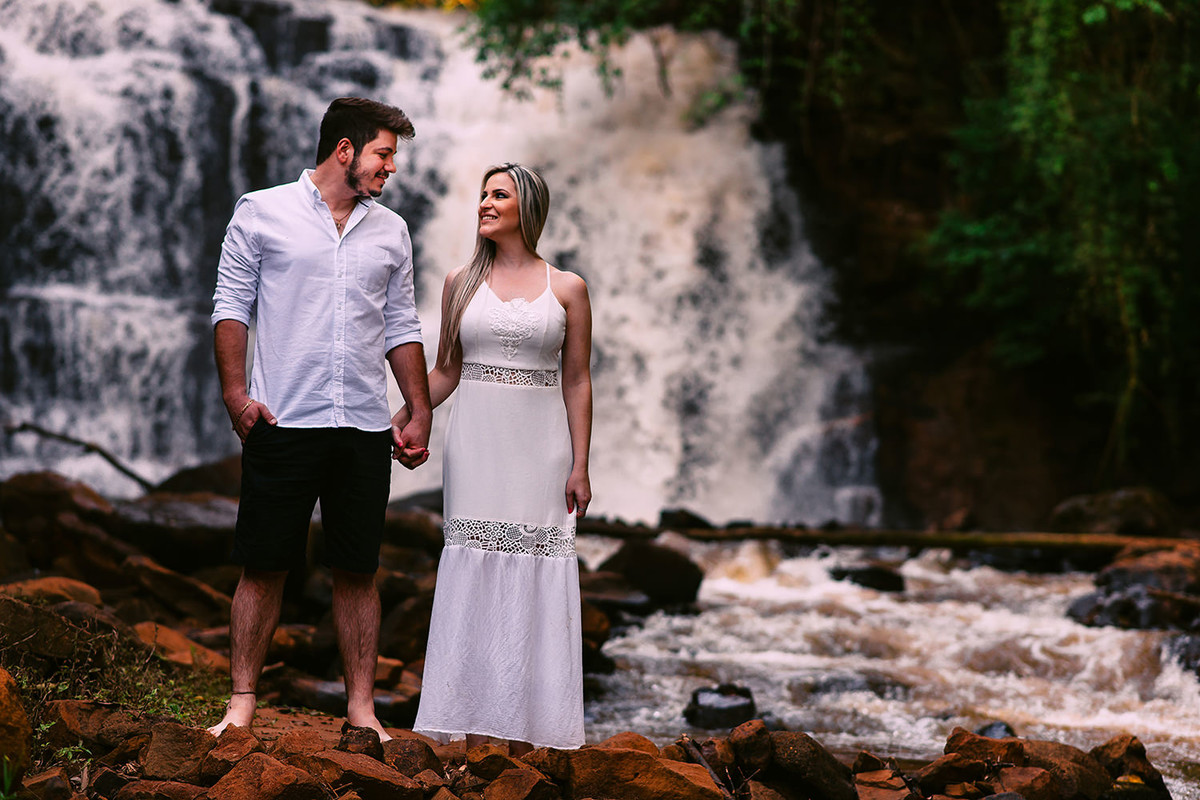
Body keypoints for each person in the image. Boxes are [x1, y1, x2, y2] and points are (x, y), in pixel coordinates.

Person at [207, 97, 433, 741]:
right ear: (345, 150)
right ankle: (242, 700)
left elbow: (401, 324)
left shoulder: (391, 230)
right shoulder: (261, 211)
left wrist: (417, 410)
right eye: (384, 153)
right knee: (263, 564)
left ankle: (362, 708)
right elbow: (231, 305)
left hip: (362, 424)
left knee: (358, 568)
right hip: (281, 419)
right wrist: (234, 395)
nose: (391, 167)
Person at [402, 163, 592, 754]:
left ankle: (530, 731)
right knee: (474, 561)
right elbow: (446, 371)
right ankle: (472, 724)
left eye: (498, 195)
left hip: (541, 450)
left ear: (527, 208)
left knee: (535, 568)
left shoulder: (568, 288)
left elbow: (579, 381)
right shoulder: (460, 282)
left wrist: (581, 464)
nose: (485, 203)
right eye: (482, 194)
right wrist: (407, 416)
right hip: (477, 445)